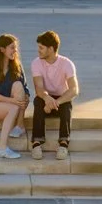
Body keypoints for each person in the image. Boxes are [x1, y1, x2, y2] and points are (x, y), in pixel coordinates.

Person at [28, 30, 79, 160]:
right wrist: (47, 99)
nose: (38, 50)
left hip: (61, 100)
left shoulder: (67, 63)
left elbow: (74, 90)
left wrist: (56, 103)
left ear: (51, 49)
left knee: (68, 105)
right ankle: (36, 143)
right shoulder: (36, 63)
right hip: (45, 97)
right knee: (38, 102)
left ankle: (63, 143)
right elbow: (38, 88)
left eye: (41, 48)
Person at [0, 32, 29, 159]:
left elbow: (26, 89)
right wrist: (12, 101)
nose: (15, 50)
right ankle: (1, 148)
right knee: (13, 107)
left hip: (15, 103)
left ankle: (20, 125)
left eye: (15, 47)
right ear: (2, 49)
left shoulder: (17, 66)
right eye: (12, 47)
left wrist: (24, 99)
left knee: (19, 86)